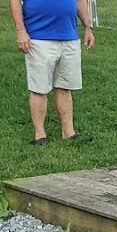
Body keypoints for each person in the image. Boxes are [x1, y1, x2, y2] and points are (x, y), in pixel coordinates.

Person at [8, 0, 95, 145]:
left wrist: (88, 27)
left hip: (69, 37)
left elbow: (80, 1)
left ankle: (68, 132)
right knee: (38, 88)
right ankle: (40, 135)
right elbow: (15, 1)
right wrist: (20, 31)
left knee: (64, 87)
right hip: (39, 38)